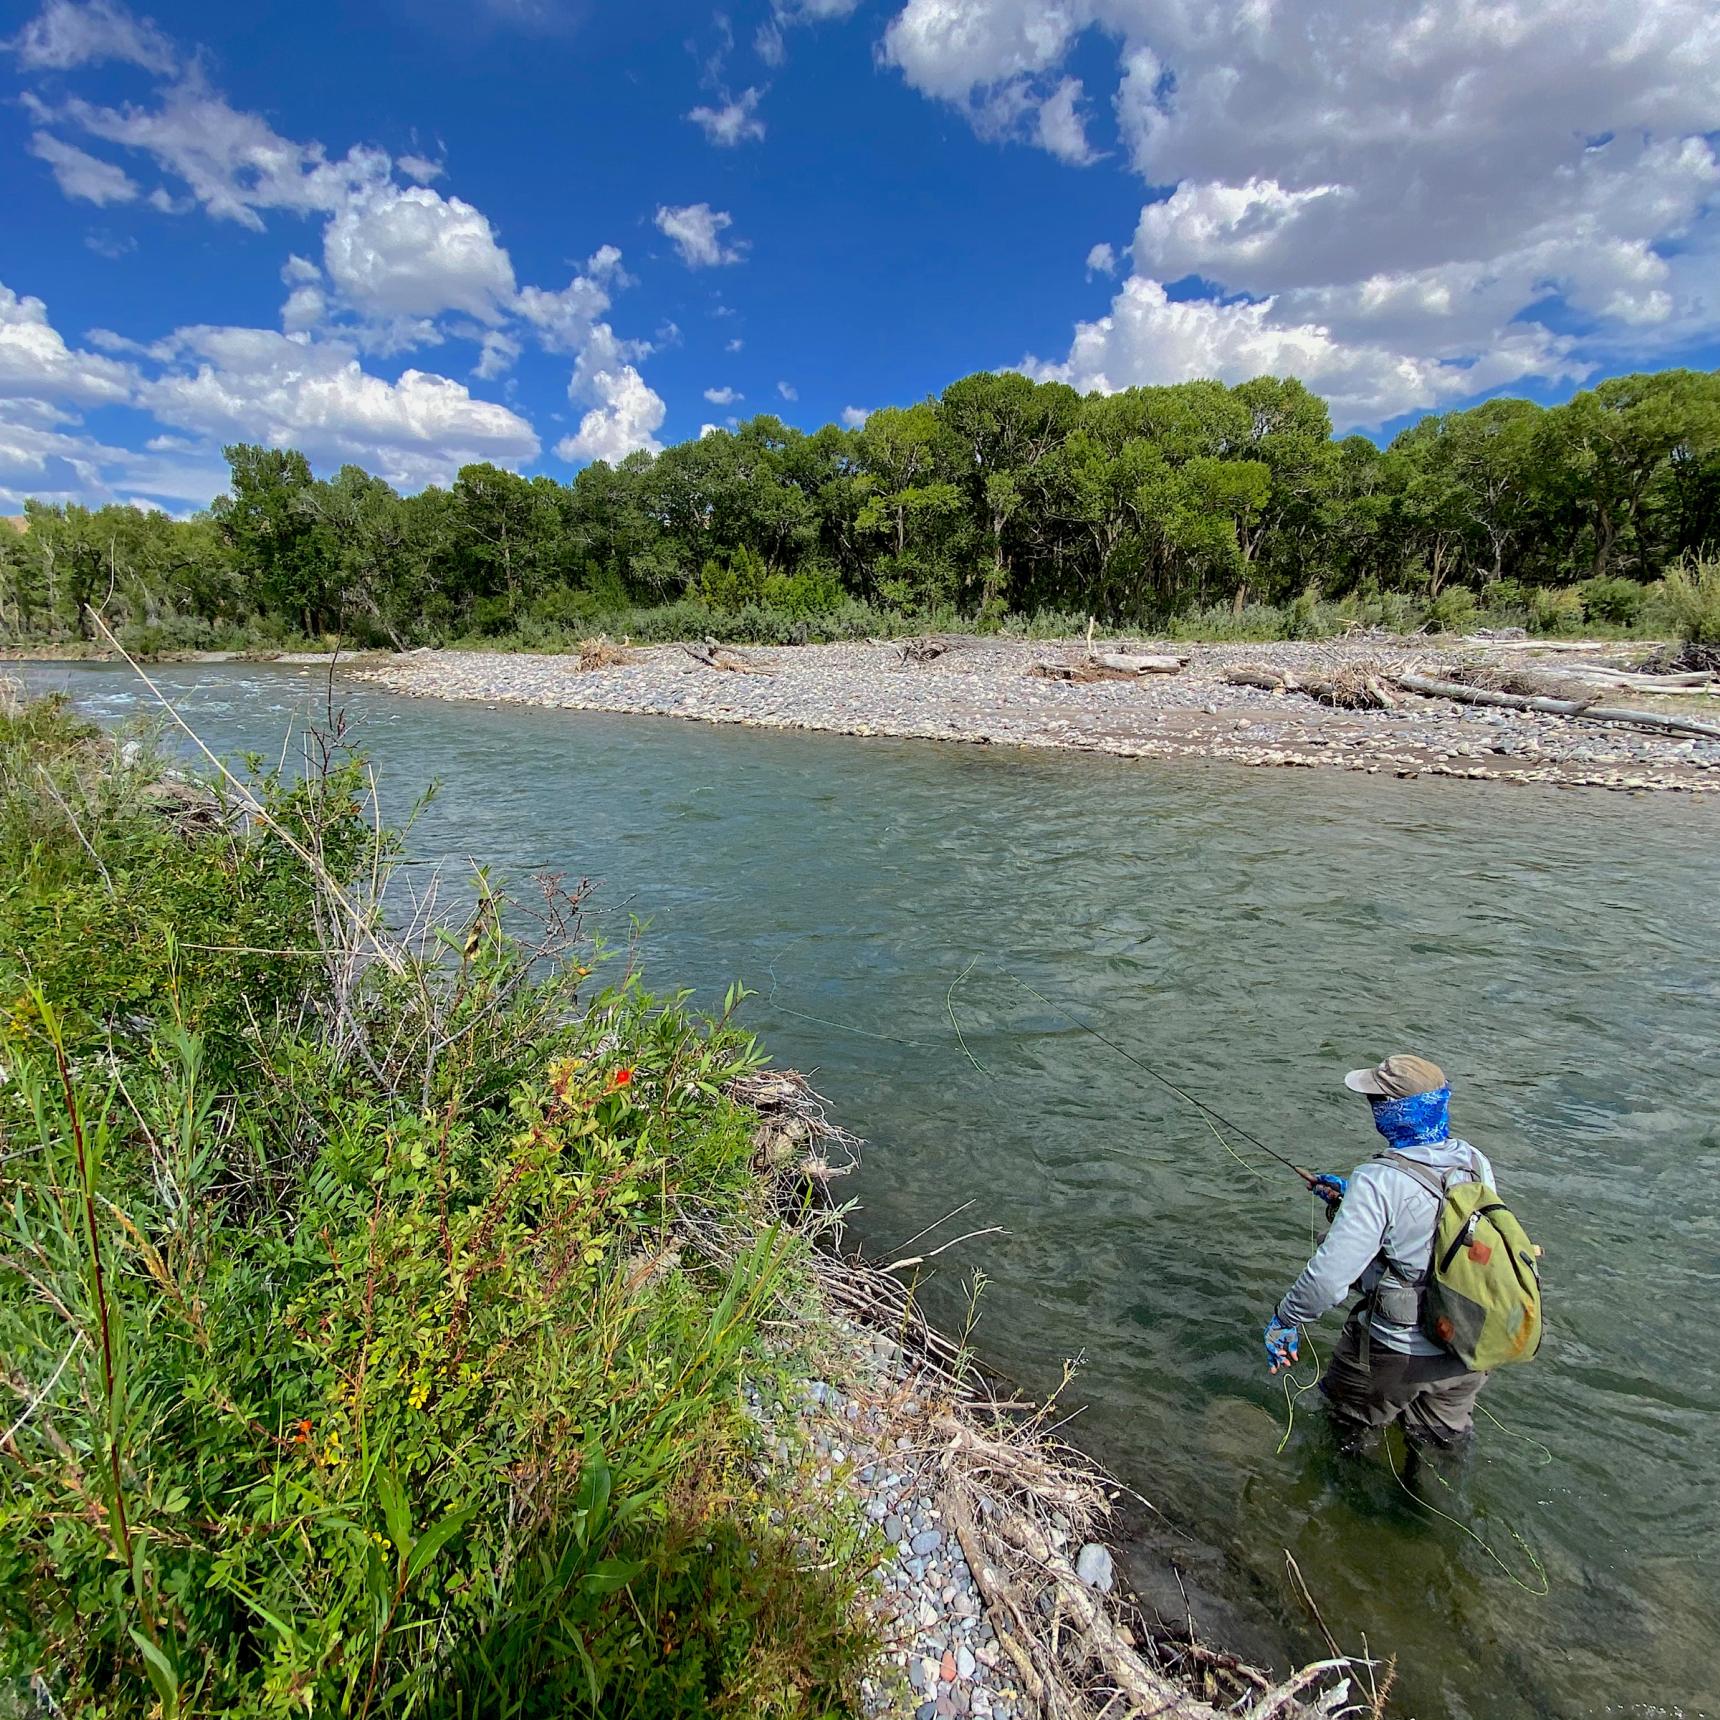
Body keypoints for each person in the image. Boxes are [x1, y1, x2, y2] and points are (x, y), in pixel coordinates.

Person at [1263, 1054, 1494, 1451]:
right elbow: (1443, 1229)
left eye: (1376, 1101)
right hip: (1468, 1346)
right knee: (1439, 1446)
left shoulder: (1379, 1180)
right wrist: (1352, 1197)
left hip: (1395, 1355)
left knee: (1344, 1431)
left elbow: (1329, 1278)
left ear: (1391, 1112)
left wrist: (1286, 1319)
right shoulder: (1475, 1162)